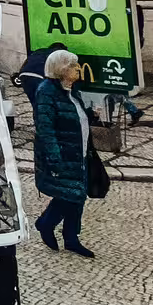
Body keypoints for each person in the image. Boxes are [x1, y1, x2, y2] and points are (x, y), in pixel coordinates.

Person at [32, 48, 95, 258]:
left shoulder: (71, 90)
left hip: (80, 154)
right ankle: (46, 223)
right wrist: (55, 159)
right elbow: (46, 129)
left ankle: (71, 237)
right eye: (73, 65)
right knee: (69, 195)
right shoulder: (46, 91)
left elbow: (75, 116)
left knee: (78, 196)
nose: (78, 69)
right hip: (63, 155)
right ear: (62, 69)